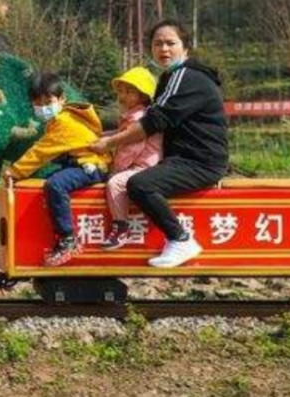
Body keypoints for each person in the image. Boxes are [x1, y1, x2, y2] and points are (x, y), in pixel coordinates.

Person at [92, 20, 228, 268]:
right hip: (182, 158)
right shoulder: (171, 77)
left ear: (185, 47)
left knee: (140, 184)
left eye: (170, 43)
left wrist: (110, 143)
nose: (164, 49)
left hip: (199, 161)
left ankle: (180, 239)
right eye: (157, 44)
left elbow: (154, 121)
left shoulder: (185, 77)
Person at [3, 72, 111, 266]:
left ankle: (68, 238)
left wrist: (15, 171)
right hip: (83, 164)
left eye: (48, 102)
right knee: (49, 179)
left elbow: (41, 151)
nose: (43, 107)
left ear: (62, 99)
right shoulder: (60, 119)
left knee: (55, 185)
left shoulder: (63, 122)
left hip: (90, 166)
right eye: (38, 103)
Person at [101, 66, 163, 251]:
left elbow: (130, 150)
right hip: (138, 165)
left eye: (129, 92)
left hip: (142, 167)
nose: (122, 95)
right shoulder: (133, 115)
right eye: (120, 91)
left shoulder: (139, 117)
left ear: (143, 96)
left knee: (116, 183)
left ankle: (121, 228)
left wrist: (114, 169)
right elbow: (121, 134)